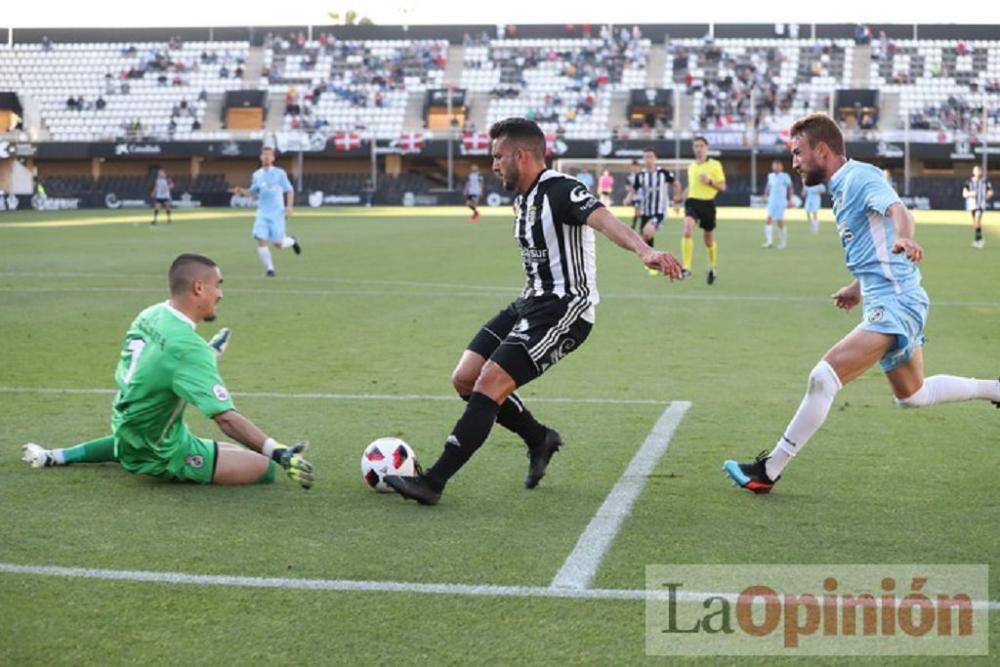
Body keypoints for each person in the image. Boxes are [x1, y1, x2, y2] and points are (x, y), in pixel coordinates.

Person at [383, 118, 683, 505]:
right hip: (529, 302)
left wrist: (645, 250)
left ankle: (433, 482)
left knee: (490, 382)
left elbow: (603, 219)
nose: (493, 165)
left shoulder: (561, 189)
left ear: (521, 156)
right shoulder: (523, 197)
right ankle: (540, 438)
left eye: (498, 156)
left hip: (566, 309)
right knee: (465, 378)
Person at [723, 113, 1000, 494]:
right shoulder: (840, 187)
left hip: (897, 301)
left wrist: (906, 238)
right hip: (887, 297)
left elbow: (898, 212)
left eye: (798, 153)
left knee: (823, 377)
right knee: (913, 396)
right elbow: (876, 244)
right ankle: (995, 389)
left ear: (822, 150)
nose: (794, 162)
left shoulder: (860, 177)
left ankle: (768, 469)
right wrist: (858, 286)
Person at [21, 254, 314, 489]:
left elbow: (158, 363)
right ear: (199, 287)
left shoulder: (151, 314)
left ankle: (55, 456)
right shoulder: (188, 349)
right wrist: (278, 452)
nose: (221, 294)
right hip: (159, 449)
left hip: (127, 423)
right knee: (263, 468)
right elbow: (225, 418)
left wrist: (207, 354)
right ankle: (139, 457)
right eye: (218, 285)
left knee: (235, 452)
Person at [232, 147, 301, 277]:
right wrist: (242, 191)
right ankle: (270, 269)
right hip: (262, 213)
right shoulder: (257, 174)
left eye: (269, 155)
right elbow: (253, 192)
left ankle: (292, 240)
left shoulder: (280, 173)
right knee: (260, 238)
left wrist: (290, 207)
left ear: (273, 158)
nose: (267, 157)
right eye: (264, 155)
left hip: (277, 213)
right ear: (261, 157)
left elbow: (289, 190)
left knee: (278, 244)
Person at [680, 136, 726, 284]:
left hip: (707, 204)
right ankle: (686, 267)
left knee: (708, 240)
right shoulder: (692, 166)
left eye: (701, 146)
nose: (698, 149)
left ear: (707, 148)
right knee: (687, 230)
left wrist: (710, 181)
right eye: (696, 146)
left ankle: (712, 267)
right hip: (692, 202)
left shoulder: (715, 165)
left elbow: (723, 187)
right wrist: (679, 199)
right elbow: (692, 186)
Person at [630, 148, 680, 275]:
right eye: (646, 157)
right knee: (646, 236)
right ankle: (653, 261)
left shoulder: (663, 173)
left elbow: (676, 184)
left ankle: (655, 260)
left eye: (650, 157)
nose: (648, 160)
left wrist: (676, 200)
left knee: (647, 231)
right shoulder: (641, 175)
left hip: (659, 211)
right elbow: (634, 190)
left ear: (655, 158)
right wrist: (627, 198)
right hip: (645, 211)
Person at [763, 160, 794, 248]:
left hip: (781, 202)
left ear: (781, 167)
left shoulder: (785, 176)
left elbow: (790, 188)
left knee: (780, 221)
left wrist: (790, 200)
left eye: (777, 166)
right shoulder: (770, 176)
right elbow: (768, 187)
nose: (776, 167)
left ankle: (783, 243)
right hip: (771, 201)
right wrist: (765, 195)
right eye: (774, 166)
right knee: (768, 220)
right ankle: (769, 242)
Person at [962, 165, 993, 249]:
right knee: (975, 223)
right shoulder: (969, 182)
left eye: (979, 171)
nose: (978, 172)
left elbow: (990, 191)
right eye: (976, 171)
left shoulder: (985, 182)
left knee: (977, 219)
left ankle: (979, 240)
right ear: (973, 172)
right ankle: (978, 239)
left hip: (980, 205)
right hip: (972, 205)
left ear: (981, 172)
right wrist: (970, 194)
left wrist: (987, 196)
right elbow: (964, 193)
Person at [624, 160, 642, 231]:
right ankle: (635, 225)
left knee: (639, 211)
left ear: (638, 167)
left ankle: (634, 225)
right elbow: (627, 187)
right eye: (633, 167)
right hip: (635, 197)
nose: (634, 168)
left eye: (636, 167)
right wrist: (631, 188)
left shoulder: (643, 175)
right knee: (637, 210)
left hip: (643, 197)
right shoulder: (629, 177)